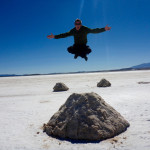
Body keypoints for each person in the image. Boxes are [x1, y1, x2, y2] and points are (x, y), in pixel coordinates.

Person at [47, 19, 111, 61]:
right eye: (76, 24)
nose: (77, 25)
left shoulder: (85, 29)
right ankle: (80, 54)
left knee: (89, 50)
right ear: (74, 25)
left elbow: (94, 31)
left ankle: (80, 54)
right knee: (69, 49)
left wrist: (104, 29)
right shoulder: (73, 30)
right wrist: (54, 36)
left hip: (83, 46)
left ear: (81, 24)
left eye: (79, 24)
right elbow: (65, 35)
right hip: (76, 46)